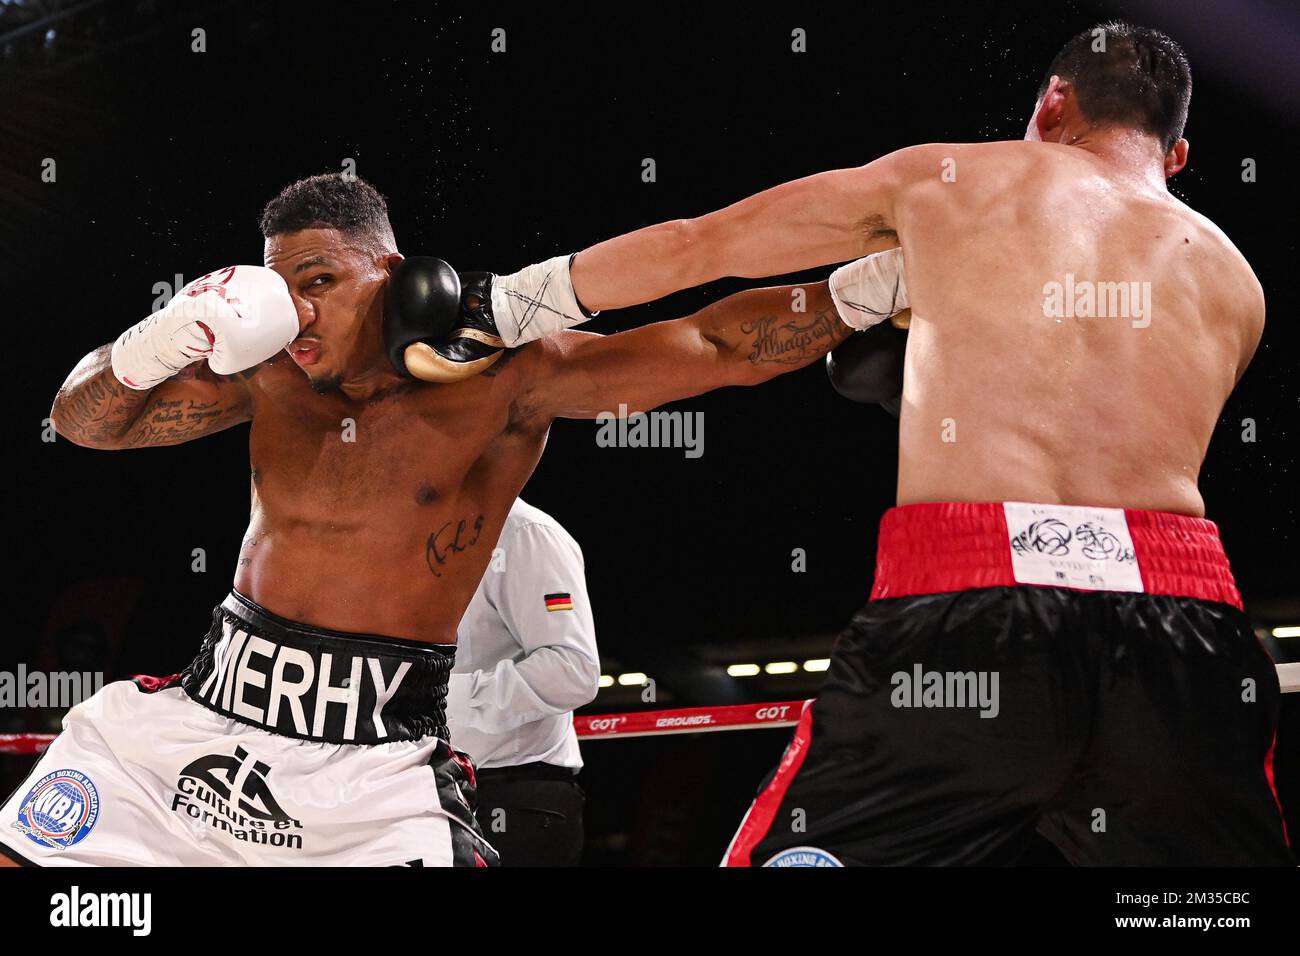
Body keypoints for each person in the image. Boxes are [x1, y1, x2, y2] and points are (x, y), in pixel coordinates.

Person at [556, 21, 1290, 865]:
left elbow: (700, 244)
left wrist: (519, 300)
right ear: (1178, 156)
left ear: (1053, 105)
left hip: (974, 595)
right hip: (1185, 622)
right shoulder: (1236, 280)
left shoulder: (952, 181)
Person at [2, 174, 863, 866]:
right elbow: (85, 422)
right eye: (279, 289)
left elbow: (717, 344)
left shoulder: (504, 380)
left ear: (394, 270)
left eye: (321, 283)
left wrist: (870, 291)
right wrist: (166, 335)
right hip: (198, 720)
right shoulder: (269, 374)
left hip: (371, 771)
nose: (296, 315)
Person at [448, 498, 598, 866]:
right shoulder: (411, 526)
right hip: (425, 788)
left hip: (512, 797)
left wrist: (436, 698)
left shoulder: (526, 534)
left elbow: (573, 670)